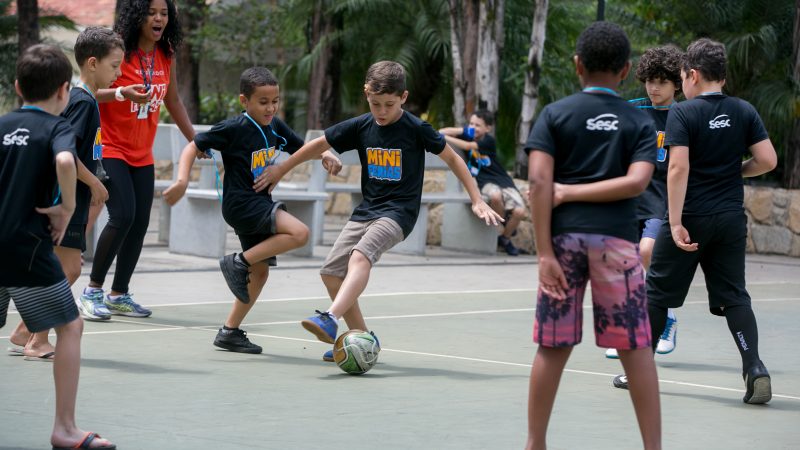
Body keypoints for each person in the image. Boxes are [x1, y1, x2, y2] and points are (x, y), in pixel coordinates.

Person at [254, 61, 502, 361]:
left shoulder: (416, 128)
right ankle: (363, 340)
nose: (381, 111)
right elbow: (317, 144)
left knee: (360, 257)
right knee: (331, 273)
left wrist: (476, 198)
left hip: (399, 214)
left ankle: (330, 318)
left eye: (389, 104)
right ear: (366, 94)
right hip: (367, 210)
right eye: (375, 104)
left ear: (404, 98)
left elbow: (454, 159)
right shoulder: (361, 126)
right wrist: (281, 168)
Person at [524, 22, 661, 450]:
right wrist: (570, 191)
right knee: (636, 350)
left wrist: (544, 251)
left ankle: (535, 443)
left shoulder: (554, 114)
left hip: (562, 245)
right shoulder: (638, 120)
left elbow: (538, 185)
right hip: (618, 247)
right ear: (626, 70)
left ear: (577, 65)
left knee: (552, 346)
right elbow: (639, 182)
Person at [619, 38, 777, 404]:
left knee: (656, 295)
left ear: (691, 75)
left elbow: (677, 168)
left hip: (691, 219)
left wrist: (673, 223)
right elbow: (767, 160)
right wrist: (735, 171)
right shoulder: (744, 110)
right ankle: (754, 367)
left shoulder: (684, 113)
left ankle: (638, 374)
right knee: (735, 296)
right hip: (730, 219)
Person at [163, 66, 341, 353]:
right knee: (300, 233)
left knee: (260, 273)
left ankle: (229, 331)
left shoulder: (274, 126)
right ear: (244, 101)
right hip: (242, 204)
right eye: (263, 102)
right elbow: (193, 145)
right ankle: (237, 262)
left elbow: (300, 147)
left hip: (258, 203)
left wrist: (325, 153)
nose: (271, 107)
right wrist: (183, 180)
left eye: (275, 101)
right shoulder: (234, 128)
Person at [0, 44, 116, 450]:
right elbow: (67, 164)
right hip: (25, 245)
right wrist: (67, 208)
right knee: (71, 325)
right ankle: (65, 429)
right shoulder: (56, 127)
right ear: (65, 90)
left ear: (17, 87)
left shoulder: (2, 124)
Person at [7, 27, 125, 362]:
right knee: (68, 269)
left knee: (66, 265)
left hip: (72, 194)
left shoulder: (83, 98)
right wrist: (95, 183)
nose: (118, 73)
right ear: (92, 63)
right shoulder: (83, 102)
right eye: (114, 66)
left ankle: (27, 331)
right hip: (66, 195)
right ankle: (36, 339)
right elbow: (67, 152)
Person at [80, 0, 195, 319]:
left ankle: (119, 294)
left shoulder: (166, 53)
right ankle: (92, 290)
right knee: (123, 216)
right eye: (151, 12)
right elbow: (87, 90)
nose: (159, 18)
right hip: (110, 146)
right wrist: (121, 93)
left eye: (164, 13)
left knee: (140, 223)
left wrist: (196, 140)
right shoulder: (117, 50)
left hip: (142, 152)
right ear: (137, 15)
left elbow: (172, 100)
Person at [605, 45, 683, 361]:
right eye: (650, 80)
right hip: (630, 199)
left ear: (677, 83)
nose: (654, 88)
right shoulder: (632, 109)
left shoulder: (684, 114)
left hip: (663, 200)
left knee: (646, 251)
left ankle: (666, 318)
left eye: (662, 81)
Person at [439, 109, 526, 256]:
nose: (473, 128)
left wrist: (446, 138)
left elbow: (466, 147)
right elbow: (441, 130)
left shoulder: (488, 140)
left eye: (478, 125)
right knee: (495, 196)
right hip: (485, 181)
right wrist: (464, 130)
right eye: (471, 124)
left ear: (488, 128)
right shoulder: (467, 135)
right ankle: (505, 223)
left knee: (520, 211)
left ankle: (504, 238)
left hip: (503, 179)